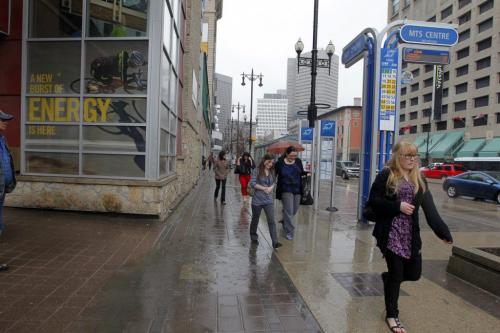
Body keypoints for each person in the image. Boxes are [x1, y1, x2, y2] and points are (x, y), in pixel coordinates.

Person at [368, 140, 453, 333]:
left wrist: (443, 232)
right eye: (407, 155)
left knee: (414, 274)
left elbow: (430, 210)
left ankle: (388, 279)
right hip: (391, 233)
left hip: (410, 236)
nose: (411, 159)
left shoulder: (419, 180)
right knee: (397, 274)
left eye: (414, 155)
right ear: (397, 157)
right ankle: (392, 315)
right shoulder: (387, 175)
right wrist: (397, 206)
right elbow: (373, 201)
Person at [249, 154, 282, 249]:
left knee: (271, 221)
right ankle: (253, 236)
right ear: (264, 160)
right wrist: (264, 188)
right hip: (257, 200)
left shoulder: (272, 171)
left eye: (272, 162)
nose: (271, 164)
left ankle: (275, 242)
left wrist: (271, 188)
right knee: (255, 219)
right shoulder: (257, 170)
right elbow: (252, 183)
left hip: (268, 200)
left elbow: (274, 182)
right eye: (269, 162)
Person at [275, 146, 307, 240]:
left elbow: (301, 172)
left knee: (294, 209)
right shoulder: (280, 163)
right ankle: (289, 231)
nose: (293, 157)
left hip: (297, 189)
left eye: (295, 155)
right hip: (286, 189)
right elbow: (274, 174)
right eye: (292, 155)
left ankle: (285, 221)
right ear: (287, 154)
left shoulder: (298, 161)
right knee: (289, 211)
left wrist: (306, 173)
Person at [0, 110, 16, 238]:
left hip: (2, 186)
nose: (5, 122)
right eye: (2, 120)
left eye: (6, 120)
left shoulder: (2, 139)